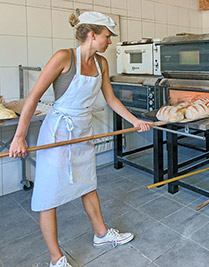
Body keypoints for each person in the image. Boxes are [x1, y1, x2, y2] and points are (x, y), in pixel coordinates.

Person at [9, 11, 152, 267]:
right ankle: (56, 258)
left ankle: (101, 234)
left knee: (88, 184)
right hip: (58, 133)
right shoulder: (64, 58)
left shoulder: (102, 64)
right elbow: (32, 98)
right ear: (92, 34)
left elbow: (111, 99)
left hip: (82, 131)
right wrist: (19, 137)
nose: (110, 42)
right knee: (47, 196)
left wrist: (135, 121)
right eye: (107, 36)